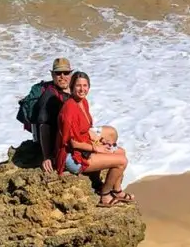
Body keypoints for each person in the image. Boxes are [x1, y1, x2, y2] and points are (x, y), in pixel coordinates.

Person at [56, 71, 135, 207]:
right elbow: (72, 142)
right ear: (71, 87)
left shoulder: (83, 102)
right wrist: (95, 148)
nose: (82, 89)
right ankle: (105, 195)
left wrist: (99, 140)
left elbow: (86, 129)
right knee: (121, 162)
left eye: (85, 85)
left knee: (121, 152)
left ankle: (117, 191)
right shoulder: (69, 109)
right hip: (73, 157)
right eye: (78, 86)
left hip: (84, 146)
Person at [34, 57, 73, 173]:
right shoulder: (50, 96)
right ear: (52, 75)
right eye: (58, 73)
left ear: (71, 74)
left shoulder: (73, 90)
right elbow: (44, 125)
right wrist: (47, 156)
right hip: (57, 144)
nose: (62, 76)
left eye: (66, 73)